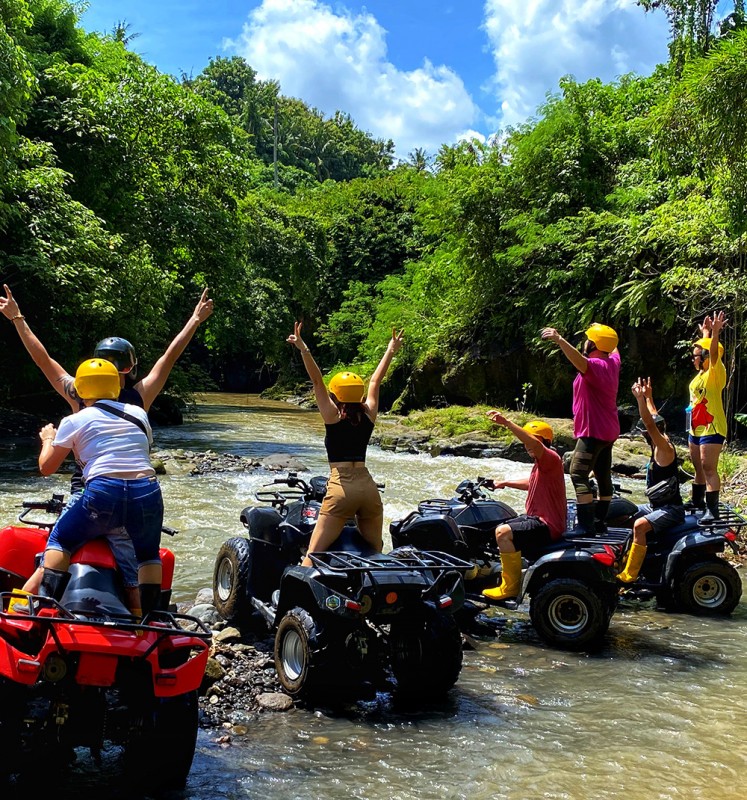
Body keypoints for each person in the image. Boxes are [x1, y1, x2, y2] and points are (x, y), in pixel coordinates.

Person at [0, 284, 213, 607]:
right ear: (127, 369)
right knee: (136, 564)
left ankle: (24, 608)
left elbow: (44, 360)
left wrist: (18, 318)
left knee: (57, 545)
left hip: (88, 491)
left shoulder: (78, 395)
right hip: (139, 492)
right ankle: (146, 620)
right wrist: (194, 321)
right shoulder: (139, 401)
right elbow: (170, 355)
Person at [32, 358, 164, 620]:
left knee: (61, 540)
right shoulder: (138, 413)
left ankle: (44, 606)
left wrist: (48, 439)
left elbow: (47, 468)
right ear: (115, 386)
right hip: (148, 491)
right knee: (148, 555)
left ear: (80, 389)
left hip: (103, 492)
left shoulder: (74, 420)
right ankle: (150, 620)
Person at [286, 321, 404, 566]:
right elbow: (375, 382)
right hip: (368, 488)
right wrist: (391, 350)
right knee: (376, 554)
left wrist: (303, 348)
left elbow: (317, 382)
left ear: (336, 395)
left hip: (341, 487)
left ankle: (296, 599)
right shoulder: (369, 413)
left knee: (312, 554)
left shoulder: (332, 416)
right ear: (358, 394)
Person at [541, 322, 621, 536]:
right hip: (609, 430)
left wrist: (559, 340)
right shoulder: (613, 361)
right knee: (603, 476)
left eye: (588, 338)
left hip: (593, 431)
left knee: (577, 474)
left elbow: (577, 359)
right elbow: (614, 347)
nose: (585, 341)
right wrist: (605, 331)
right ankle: (599, 521)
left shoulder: (595, 367)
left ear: (594, 344)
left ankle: (586, 526)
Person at [481, 415, 567, 601]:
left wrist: (507, 423)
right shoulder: (541, 465)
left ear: (544, 442)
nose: (528, 445)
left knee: (503, 533)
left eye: (533, 440)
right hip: (537, 518)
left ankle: (510, 587)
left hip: (547, 524)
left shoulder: (550, 457)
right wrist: (504, 482)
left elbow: (534, 444)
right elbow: (532, 483)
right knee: (496, 526)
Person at [618, 377, 685, 583]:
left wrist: (639, 399)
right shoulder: (660, 439)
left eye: (643, 433)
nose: (643, 435)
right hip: (655, 505)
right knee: (625, 515)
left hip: (670, 509)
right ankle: (625, 559)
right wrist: (648, 396)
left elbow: (649, 421)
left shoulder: (663, 446)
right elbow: (655, 417)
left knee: (639, 525)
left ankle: (630, 575)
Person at [688, 311, 727, 522]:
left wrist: (714, 333)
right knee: (697, 466)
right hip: (696, 426)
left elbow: (713, 353)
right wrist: (704, 332)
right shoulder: (700, 375)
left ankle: (713, 510)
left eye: (695, 355)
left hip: (712, 427)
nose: (692, 358)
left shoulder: (715, 371)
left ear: (704, 357)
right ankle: (697, 502)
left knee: (709, 467)